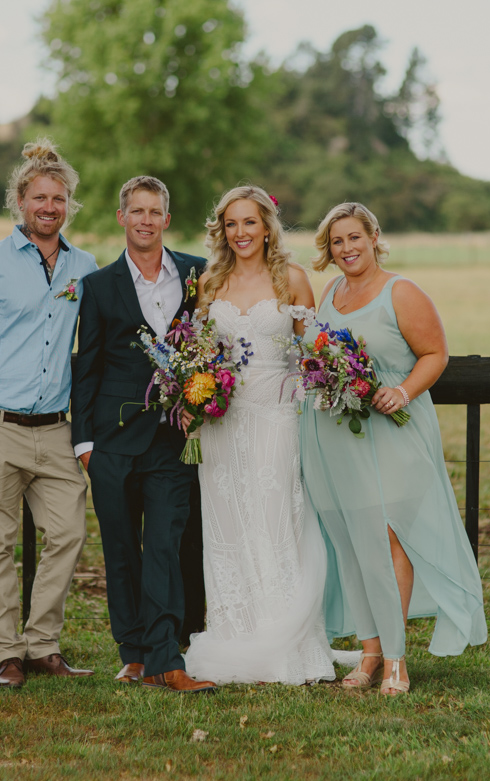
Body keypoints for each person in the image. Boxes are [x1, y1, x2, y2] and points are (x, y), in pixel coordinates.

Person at [300, 202, 487, 696]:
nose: (347, 248)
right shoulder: (330, 292)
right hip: (341, 434)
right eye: (337, 241)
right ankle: (369, 653)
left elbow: (435, 354)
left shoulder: (400, 291)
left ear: (374, 236)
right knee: (353, 542)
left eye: (354, 238)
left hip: (394, 429)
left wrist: (401, 391)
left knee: (388, 537)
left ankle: (397, 658)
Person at [0, 139, 99, 689]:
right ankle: (7, 653)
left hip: (56, 430)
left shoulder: (86, 267)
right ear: (20, 201)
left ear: (69, 204)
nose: (49, 206)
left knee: (68, 532)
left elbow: (101, 345)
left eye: (58, 197)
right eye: (38, 197)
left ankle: (43, 645)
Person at [182, 185, 348, 685]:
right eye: (231, 224)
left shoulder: (293, 280)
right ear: (221, 230)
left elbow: (315, 354)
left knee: (277, 517)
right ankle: (236, 633)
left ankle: (287, 641)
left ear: (267, 225)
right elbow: (199, 350)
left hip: (278, 414)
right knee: (228, 522)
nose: (240, 234)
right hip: (222, 421)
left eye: (249, 223)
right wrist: (196, 392)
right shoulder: (209, 282)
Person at [71, 176, 215, 693]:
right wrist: (84, 444)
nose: (146, 220)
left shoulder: (199, 274)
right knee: (122, 550)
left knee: (164, 546)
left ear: (167, 220)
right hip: (110, 441)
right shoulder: (98, 285)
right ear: (122, 217)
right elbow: (85, 368)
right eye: (137, 211)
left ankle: (166, 656)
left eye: (155, 212)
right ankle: (132, 651)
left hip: (173, 439)